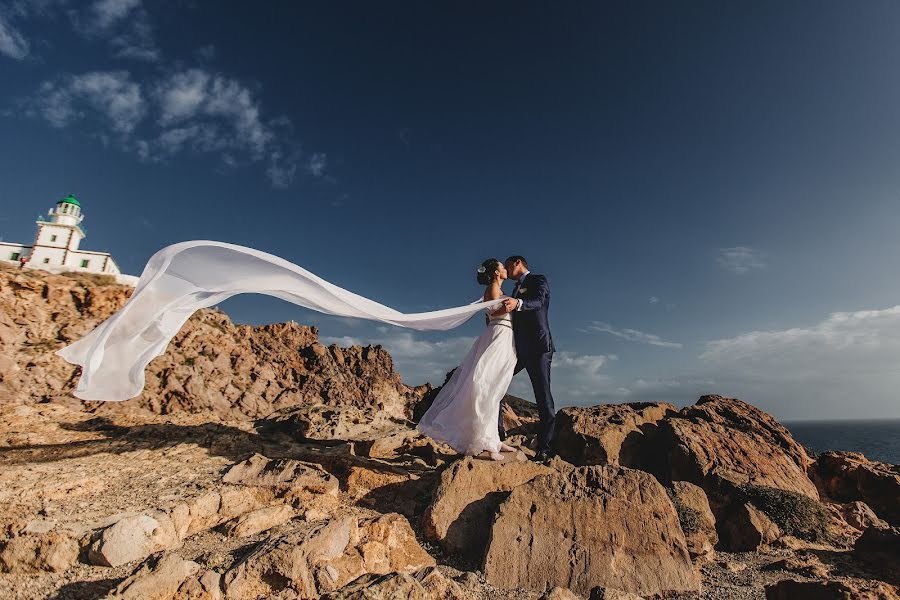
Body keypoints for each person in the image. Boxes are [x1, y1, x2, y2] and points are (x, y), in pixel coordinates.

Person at [417, 258, 519, 460]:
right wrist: (510, 307)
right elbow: (492, 312)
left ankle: (495, 439)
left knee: (496, 390)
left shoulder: (498, 289)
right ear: (496, 272)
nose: (504, 268)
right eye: (501, 265)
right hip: (498, 336)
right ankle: (489, 445)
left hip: (506, 337)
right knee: (487, 388)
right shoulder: (492, 288)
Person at [498, 255, 556, 463]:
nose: (506, 269)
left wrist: (519, 302)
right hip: (518, 349)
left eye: (507, 266)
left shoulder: (538, 280)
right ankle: (497, 434)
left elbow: (538, 302)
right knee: (497, 384)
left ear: (517, 263)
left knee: (542, 395)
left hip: (539, 347)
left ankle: (546, 447)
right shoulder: (514, 290)